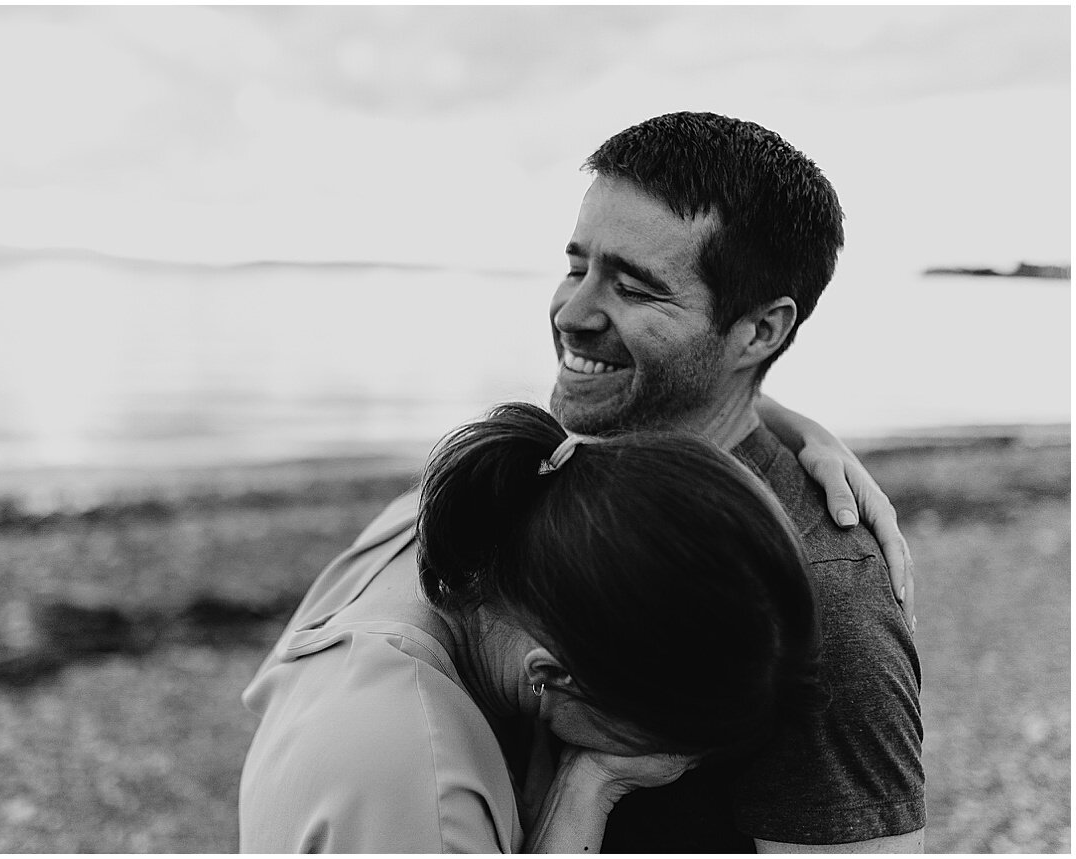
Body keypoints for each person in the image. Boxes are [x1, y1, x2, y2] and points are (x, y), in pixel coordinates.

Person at [553, 112, 923, 852]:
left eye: (632, 288)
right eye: (576, 265)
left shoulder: (822, 600)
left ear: (759, 331)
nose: (572, 311)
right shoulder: (593, 461)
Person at [241, 402, 825, 852]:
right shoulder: (424, 788)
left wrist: (798, 432)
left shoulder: (458, 519)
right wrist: (591, 785)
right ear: (550, 674)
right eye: (668, 743)